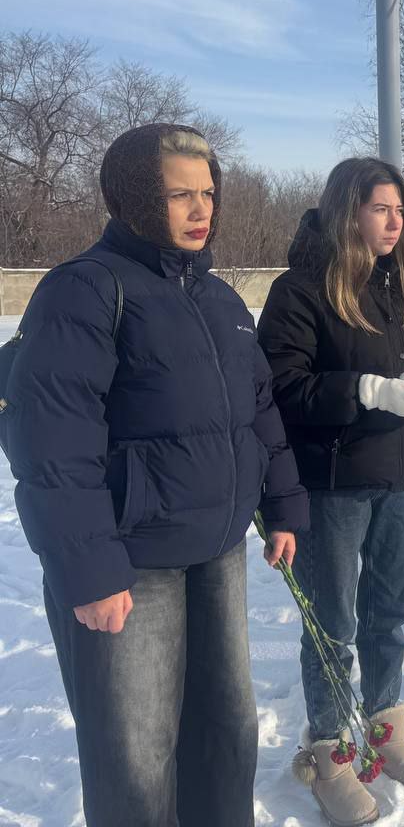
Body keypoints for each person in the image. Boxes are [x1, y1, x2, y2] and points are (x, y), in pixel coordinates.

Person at [6, 124, 308, 827]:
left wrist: (284, 505)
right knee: (137, 758)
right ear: (138, 198)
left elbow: (259, 412)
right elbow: (52, 441)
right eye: (179, 195)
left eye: (208, 193)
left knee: (226, 734)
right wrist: (89, 571)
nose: (201, 210)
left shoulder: (220, 300)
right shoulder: (85, 290)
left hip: (218, 551)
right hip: (131, 564)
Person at [258, 158, 404, 826]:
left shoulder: (402, 284)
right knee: (333, 627)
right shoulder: (300, 290)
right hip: (333, 482)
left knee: (388, 615)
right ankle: (328, 750)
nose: (395, 222)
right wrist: (365, 390)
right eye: (380, 209)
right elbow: (280, 387)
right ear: (348, 212)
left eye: (400, 210)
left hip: (401, 473)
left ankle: (385, 728)